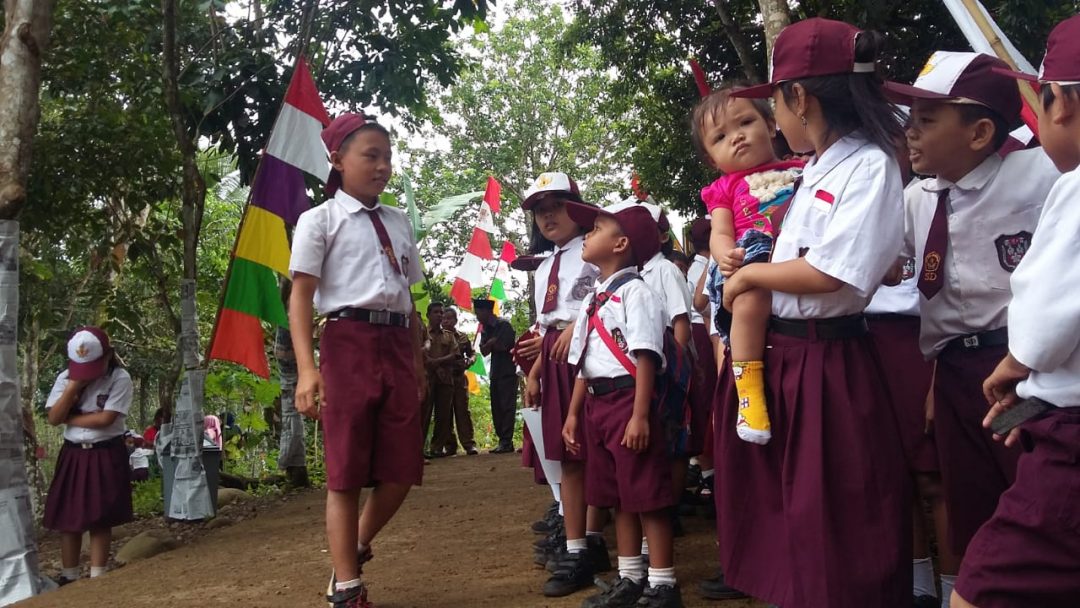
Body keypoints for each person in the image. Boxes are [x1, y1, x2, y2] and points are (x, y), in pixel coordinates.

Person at [715, 18, 911, 607]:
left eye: (774, 101)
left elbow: (832, 273)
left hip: (829, 358)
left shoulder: (869, 165)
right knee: (787, 519)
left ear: (799, 97)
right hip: (785, 352)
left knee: (839, 522)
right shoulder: (815, 168)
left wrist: (749, 274)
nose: (774, 117)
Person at [889, 51, 1061, 602]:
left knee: (1035, 503)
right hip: (956, 373)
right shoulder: (917, 198)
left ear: (980, 131)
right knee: (973, 505)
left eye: (926, 120)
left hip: (1023, 368)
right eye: (910, 118)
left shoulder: (1041, 174)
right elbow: (896, 267)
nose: (910, 133)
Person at [953, 20, 1080, 607]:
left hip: (1071, 440)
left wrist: (1015, 364)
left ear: (1064, 104)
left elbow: (1051, 315)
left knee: (980, 588)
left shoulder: (1074, 189)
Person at [289, 113, 425, 608]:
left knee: (404, 467)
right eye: (371, 155)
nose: (383, 166)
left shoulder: (397, 221)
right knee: (345, 470)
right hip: (346, 342)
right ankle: (347, 588)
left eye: (387, 157)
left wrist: (417, 364)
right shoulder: (318, 220)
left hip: (396, 345)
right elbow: (300, 297)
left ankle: (355, 547)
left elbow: (409, 302)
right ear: (337, 160)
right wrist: (308, 370)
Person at [561, 200, 680, 607]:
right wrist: (574, 414)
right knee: (618, 494)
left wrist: (640, 415)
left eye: (596, 228)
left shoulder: (637, 292)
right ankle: (629, 577)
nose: (588, 234)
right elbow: (582, 363)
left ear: (621, 243)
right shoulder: (593, 297)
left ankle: (663, 582)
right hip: (598, 404)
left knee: (646, 492)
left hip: (630, 400)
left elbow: (646, 352)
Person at [691, 84, 805, 445]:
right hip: (751, 253)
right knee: (748, 299)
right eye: (721, 136)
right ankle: (749, 391)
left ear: (771, 125)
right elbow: (720, 231)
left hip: (798, 249)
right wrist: (724, 253)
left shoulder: (805, 168)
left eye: (745, 123)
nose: (737, 137)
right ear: (712, 158)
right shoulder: (723, 187)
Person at [518, 172, 610, 597]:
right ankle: (579, 544)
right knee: (568, 454)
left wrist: (580, 324)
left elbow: (608, 298)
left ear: (577, 207)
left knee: (595, 450)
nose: (547, 215)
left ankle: (600, 541)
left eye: (556, 204)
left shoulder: (594, 251)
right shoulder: (544, 267)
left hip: (591, 353)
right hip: (553, 357)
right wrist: (534, 373)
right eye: (539, 210)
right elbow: (543, 324)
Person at [42, 326, 134, 585]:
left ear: (107, 356)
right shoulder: (65, 378)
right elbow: (52, 418)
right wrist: (74, 387)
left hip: (104, 452)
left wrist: (70, 417)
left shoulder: (119, 378)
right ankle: (68, 576)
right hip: (73, 453)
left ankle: (97, 576)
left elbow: (106, 419)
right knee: (69, 518)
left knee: (100, 516)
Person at [474, 298, 518, 453]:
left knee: (507, 406)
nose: (477, 316)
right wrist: (491, 343)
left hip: (508, 371)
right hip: (495, 372)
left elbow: (503, 346)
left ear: (487, 311)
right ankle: (502, 440)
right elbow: (484, 351)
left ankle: (507, 441)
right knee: (497, 407)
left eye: (478, 312)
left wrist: (492, 343)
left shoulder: (503, 325)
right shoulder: (485, 328)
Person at [433, 308, 478, 456]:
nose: (446, 321)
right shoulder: (437, 337)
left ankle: (468, 444)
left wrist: (470, 361)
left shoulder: (463, 337)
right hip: (443, 377)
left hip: (459, 377)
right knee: (444, 412)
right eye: (444, 318)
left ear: (455, 321)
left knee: (462, 410)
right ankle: (448, 445)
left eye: (449, 318)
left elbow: (472, 353)